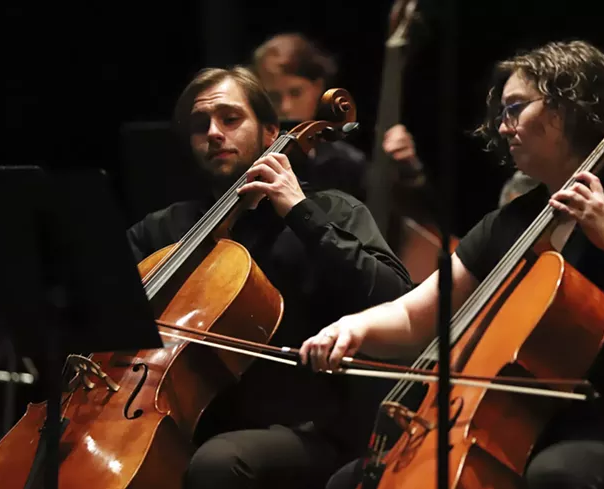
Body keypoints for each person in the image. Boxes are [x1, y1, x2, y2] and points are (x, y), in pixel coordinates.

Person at [301, 40, 604, 488]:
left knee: (556, 477)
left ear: (569, 106)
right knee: (351, 481)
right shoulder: (512, 222)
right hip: (531, 423)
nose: (502, 126)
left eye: (515, 108)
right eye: (501, 113)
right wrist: (351, 328)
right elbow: (417, 314)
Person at [125, 66, 413, 489]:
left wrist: (300, 212)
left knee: (216, 463)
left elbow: (395, 294)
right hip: (188, 420)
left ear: (270, 132)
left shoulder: (331, 211)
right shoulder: (166, 230)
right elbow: (105, 304)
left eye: (230, 118)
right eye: (200, 125)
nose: (214, 133)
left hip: (309, 427)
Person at [251, 33, 425, 201]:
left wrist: (408, 171)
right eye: (274, 97)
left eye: (296, 93)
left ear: (318, 87)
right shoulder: (251, 158)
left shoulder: (345, 162)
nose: (285, 107)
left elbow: (400, 210)